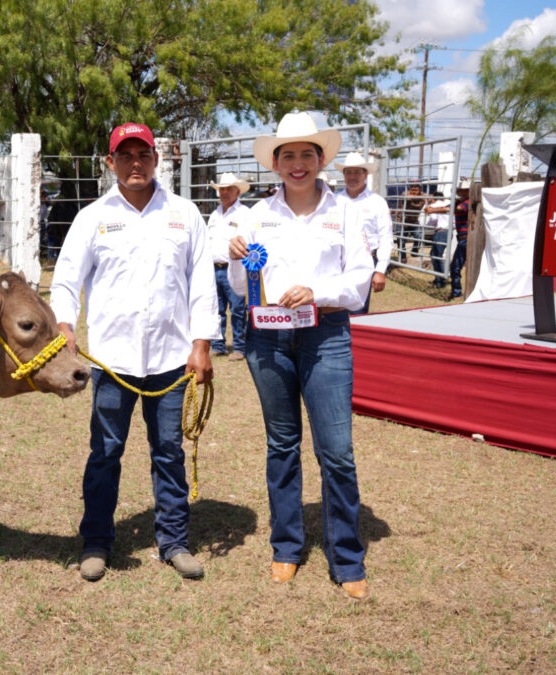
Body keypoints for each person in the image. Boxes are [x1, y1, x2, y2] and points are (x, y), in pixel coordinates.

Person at [51, 122, 218, 582]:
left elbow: (203, 284)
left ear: (156, 159)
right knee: (105, 452)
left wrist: (202, 344)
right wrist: (64, 325)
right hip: (112, 360)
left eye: (142, 154)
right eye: (124, 156)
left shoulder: (185, 214)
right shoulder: (93, 217)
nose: (135, 163)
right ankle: (97, 541)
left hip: (171, 358)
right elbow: (66, 279)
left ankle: (174, 541)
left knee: (168, 451)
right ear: (111, 163)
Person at [226, 111, 373, 600]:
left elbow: (358, 281)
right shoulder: (255, 215)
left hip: (325, 334)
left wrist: (318, 291)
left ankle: (347, 557)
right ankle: (286, 548)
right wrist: (236, 259)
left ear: (320, 159)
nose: (297, 163)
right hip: (267, 339)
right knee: (282, 445)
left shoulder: (345, 213)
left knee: (337, 451)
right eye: (287, 155)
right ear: (274, 163)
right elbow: (240, 288)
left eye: (306, 154)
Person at [335, 152, 392, 314]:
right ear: (344, 174)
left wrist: (380, 270)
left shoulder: (377, 202)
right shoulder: (334, 201)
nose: (352, 176)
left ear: (365, 174)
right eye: (348, 172)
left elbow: (385, 237)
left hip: (365, 261)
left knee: (357, 310)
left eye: (357, 172)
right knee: (333, 309)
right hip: (337, 261)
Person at [206, 172, 250, 359]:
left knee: (238, 309)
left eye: (228, 189)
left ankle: (239, 347)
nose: (224, 192)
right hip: (214, 267)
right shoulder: (215, 214)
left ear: (237, 191)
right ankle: (218, 344)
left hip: (234, 268)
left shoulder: (245, 214)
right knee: (217, 309)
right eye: (222, 189)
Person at [423, 191, 451, 288]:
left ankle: (441, 281)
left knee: (436, 257)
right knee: (436, 256)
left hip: (440, 232)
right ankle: (439, 279)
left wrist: (427, 225)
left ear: (434, 198)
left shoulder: (434, 205)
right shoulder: (447, 204)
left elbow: (433, 220)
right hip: (447, 231)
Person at [448, 182, 470, 299]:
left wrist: (433, 209)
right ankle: (456, 292)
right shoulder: (460, 202)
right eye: (459, 190)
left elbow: (458, 209)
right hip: (462, 238)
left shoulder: (469, 202)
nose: (461, 193)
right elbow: (449, 208)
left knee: (463, 267)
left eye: (463, 190)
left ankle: (458, 292)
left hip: (467, 238)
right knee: (455, 267)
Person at [398, 183, 425, 261]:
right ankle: (402, 256)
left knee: (419, 236)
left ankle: (414, 251)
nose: (413, 192)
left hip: (414, 221)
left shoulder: (423, 195)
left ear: (420, 190)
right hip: (403, 220)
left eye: (416, 190)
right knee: (401, 239)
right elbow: (408, 197)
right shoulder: (405, 193)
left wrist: (424, 197)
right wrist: (422, 198)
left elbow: (429, 197)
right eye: (412, 190)